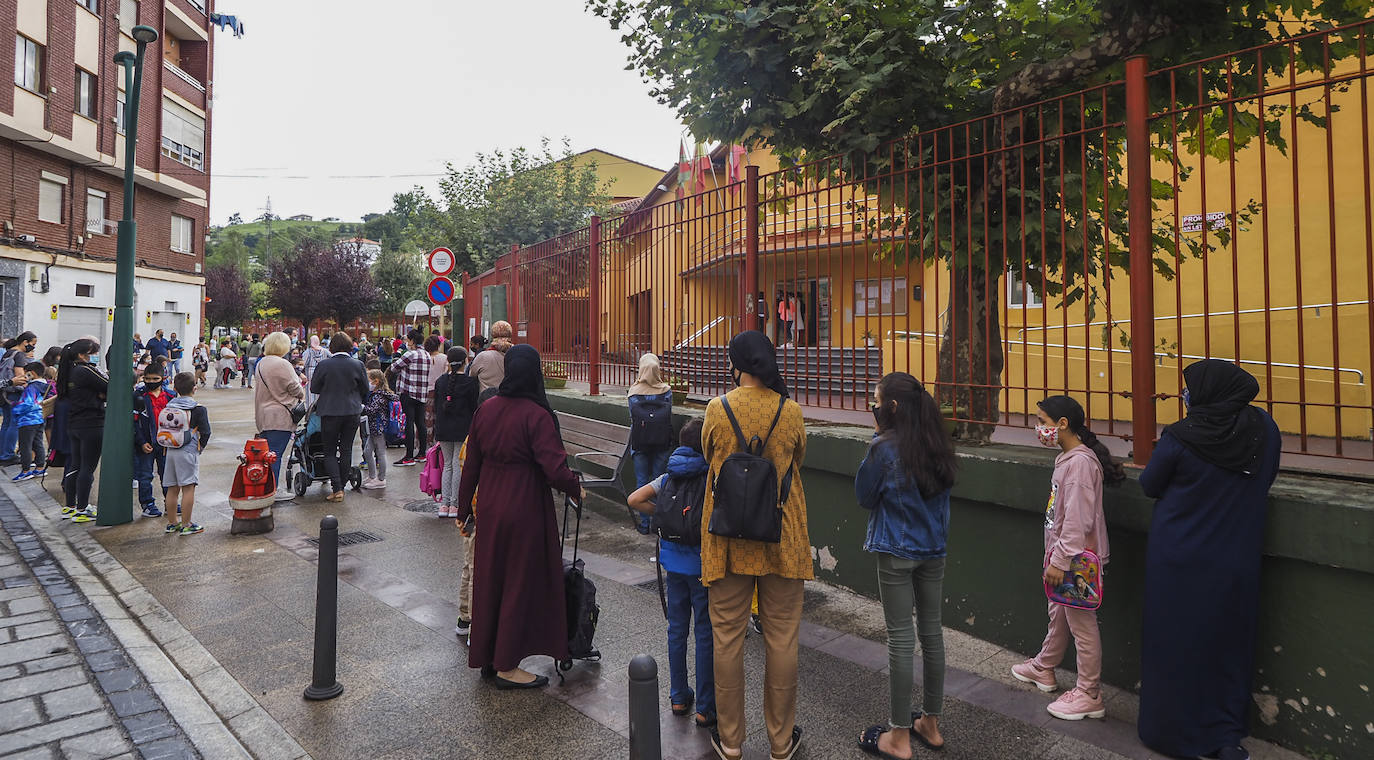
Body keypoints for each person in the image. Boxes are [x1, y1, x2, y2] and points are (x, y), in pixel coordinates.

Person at [1137, 361, 1282, 760]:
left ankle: (1174, 735)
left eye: (1189, 389)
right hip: (1236, 555)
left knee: (1176, 644)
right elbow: (1266, 476)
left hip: (1178, 559)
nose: (1184, 396)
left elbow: (1150, 484)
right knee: (1228, 644)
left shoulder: (1182, 436)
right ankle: (1225, 737)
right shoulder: (1264, 429)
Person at [699, 330, 809, 760]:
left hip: (728, 539)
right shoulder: (791, 410)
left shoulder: (717, 408)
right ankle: (781, 743)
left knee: (727, 638)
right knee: (782, 639)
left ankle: (731, 741)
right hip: (782, 537)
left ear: (737, 363)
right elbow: (796, 460)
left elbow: (711, 456)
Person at [455, 345, 583, 689]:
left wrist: (463, 508)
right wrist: (575, 487)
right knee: (517, 582)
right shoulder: (536, 414)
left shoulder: (487, 410)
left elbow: (472, 466)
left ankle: (489, 654)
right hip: (525, 505)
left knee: (492, 579)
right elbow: (554, 468)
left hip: (492, 504)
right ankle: (507, 664)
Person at [855, 373, 958, 759]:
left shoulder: (884, 447)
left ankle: (898, 736)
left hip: (896, 551)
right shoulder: (937, 442)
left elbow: (864, 495)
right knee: (931, 632)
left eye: (876, 400)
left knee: (900, 637)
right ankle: (930, 723)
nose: (873, 406)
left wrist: (877, 439)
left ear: (892, 408)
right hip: (934, 549)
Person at [1011, 395, 1124, 721]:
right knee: (1059, 615)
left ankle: (1089, 693)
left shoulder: (1078, 466)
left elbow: (1077, 521)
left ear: (1062, 424)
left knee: (1082, 626)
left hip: (1075, 561)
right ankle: (1045, 667)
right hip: (1065, 555)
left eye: (1043, 422)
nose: (1039, 429)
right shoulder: (1071, 459)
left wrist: (1060, 562)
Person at [627, 418, 715, 729]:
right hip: (703, 567)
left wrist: (662, 512)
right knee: (705, 634)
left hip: (672, 565)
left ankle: (678, 696)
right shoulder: (710, 475)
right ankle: (705, 707)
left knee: (677, 631)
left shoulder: (669, 475)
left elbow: (634, 499)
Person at [310, 332, 369, 502]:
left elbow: (314, 387)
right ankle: (342, 485)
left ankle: (337, 488)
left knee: (329, 450)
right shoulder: (358, 364)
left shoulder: (324, 365)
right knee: (346, 449)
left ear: (332, 347)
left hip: (329, 411)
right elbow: (365, 388)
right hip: (352, 411)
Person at [57, 338, 107, 523]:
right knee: (88, 467)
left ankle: (70, 506)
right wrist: (100, 395)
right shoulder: (85, 370)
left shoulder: (68, 371)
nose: (94, 356)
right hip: (92, 424)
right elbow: (109, 385)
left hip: (74, 424)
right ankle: (82, 508)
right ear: (81, 354)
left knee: (75, 465)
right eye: (92, 352)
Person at [253, 332, 306, 498]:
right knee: (275, 455)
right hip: (280, 415)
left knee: (267, 454)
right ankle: (272, 490)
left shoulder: (261, 363)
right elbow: (295, 388)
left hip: (263, 414)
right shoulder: (283, 364)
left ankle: (266, 487)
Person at [628, 353, 674, 534]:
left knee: (642, 481)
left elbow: (631, 417)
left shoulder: (633, 392)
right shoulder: (666, 391)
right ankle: (658, 522)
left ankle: (645, 523)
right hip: (662, 442)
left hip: (640, 442)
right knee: (658, 481)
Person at [160, 372, 211, 536]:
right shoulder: (198, 409)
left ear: (175, 388)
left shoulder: (169, 406)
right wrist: (200, 447)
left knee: (172, 488)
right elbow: (206, 432)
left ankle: (172, 523)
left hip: (170, 449)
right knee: (188, 488)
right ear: (194, 389)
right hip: (188, 450)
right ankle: (187, 524)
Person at [434, 347, 478, 518]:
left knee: (447, 465)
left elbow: (437, 404)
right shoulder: (470, 382)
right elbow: (474, 407)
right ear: (466, 361)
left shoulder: (440, 381)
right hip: (462, 428)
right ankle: (455, 504)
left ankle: (444, 504)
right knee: (457, 464)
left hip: (443, 428)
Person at [132, 361, 173, 518]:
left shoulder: (170, 396)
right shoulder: (138, 396)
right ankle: (147, 504)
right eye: (147, 379)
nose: (150, 382)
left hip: (165, 443)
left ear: (163, 378)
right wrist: (141, 442)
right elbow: (134, 422)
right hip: (146, 443)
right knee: (145, 475)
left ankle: (170, 501)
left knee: (167, 475)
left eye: (155, 379)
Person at [386, 329, 432, 467]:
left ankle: (409, 456)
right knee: (421, 423)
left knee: (409, 423)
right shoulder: (427, 354)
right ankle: (422, 453)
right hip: (422, 393)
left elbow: (394, 367)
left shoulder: (410, 354)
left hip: (409, 392)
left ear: (412, 341)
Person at [0, 331, 37, 464]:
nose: (33, 347)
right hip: (14, 393)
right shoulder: (19, 355)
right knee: (14, 424)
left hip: (4, 393)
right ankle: (8, 454)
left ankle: (3, 453)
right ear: (24, 342)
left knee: (6, 423)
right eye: (32, 344)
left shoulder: (8, 352)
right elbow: (20, 378)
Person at [10, 361, 48, 482]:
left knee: (25, 445)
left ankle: (25, 471)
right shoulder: (45, 385)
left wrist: (15, 407)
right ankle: (40, 467)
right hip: (40, 418)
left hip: (27, 420)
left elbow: (27, 403)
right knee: (38, 443)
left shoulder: (31, 387)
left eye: (26, 374)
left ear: (32, 374)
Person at [361, 369, 397, 489]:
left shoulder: (380, 396)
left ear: (376, 381)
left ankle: (381, 479)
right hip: (374, 427)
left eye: (369, 380)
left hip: (378, 427)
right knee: (367, 451)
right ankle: (372, 476)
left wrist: (361, 407)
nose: (368, 383)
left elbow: (371, 410)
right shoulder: (380, 394)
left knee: (380, 452)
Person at [468, 321, 513, 393]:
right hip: (509, 399)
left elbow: (471, 376)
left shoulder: (482, 356)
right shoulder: (515, 356)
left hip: (486, 399)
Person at [425, 335, 448, 444]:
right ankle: (436, 440)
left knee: (426, 418)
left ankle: (425, 440)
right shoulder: (444, 358)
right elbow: (445, 374)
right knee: (437, 416)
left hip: (425, 391)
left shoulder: (424, 358)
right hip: (439, 391)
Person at [302, 335, 329, 403]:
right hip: (323, 371)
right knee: (321, 390)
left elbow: (303, 363)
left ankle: (311, 408)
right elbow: (332, 357)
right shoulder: (325, 351)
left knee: (310, 391)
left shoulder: (308, 352)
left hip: (310, 372)